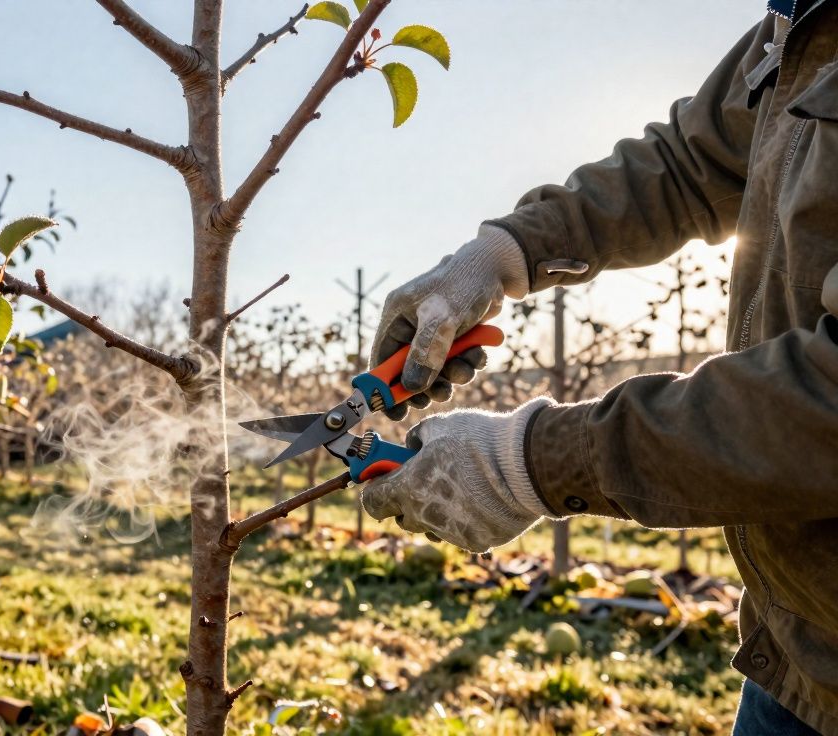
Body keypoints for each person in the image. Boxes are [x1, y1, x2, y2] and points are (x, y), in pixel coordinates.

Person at [359, 2, 838, 734]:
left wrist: (537, 462)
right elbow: (687, 164)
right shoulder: (804, 20)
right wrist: (504, 253)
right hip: (796, 650)